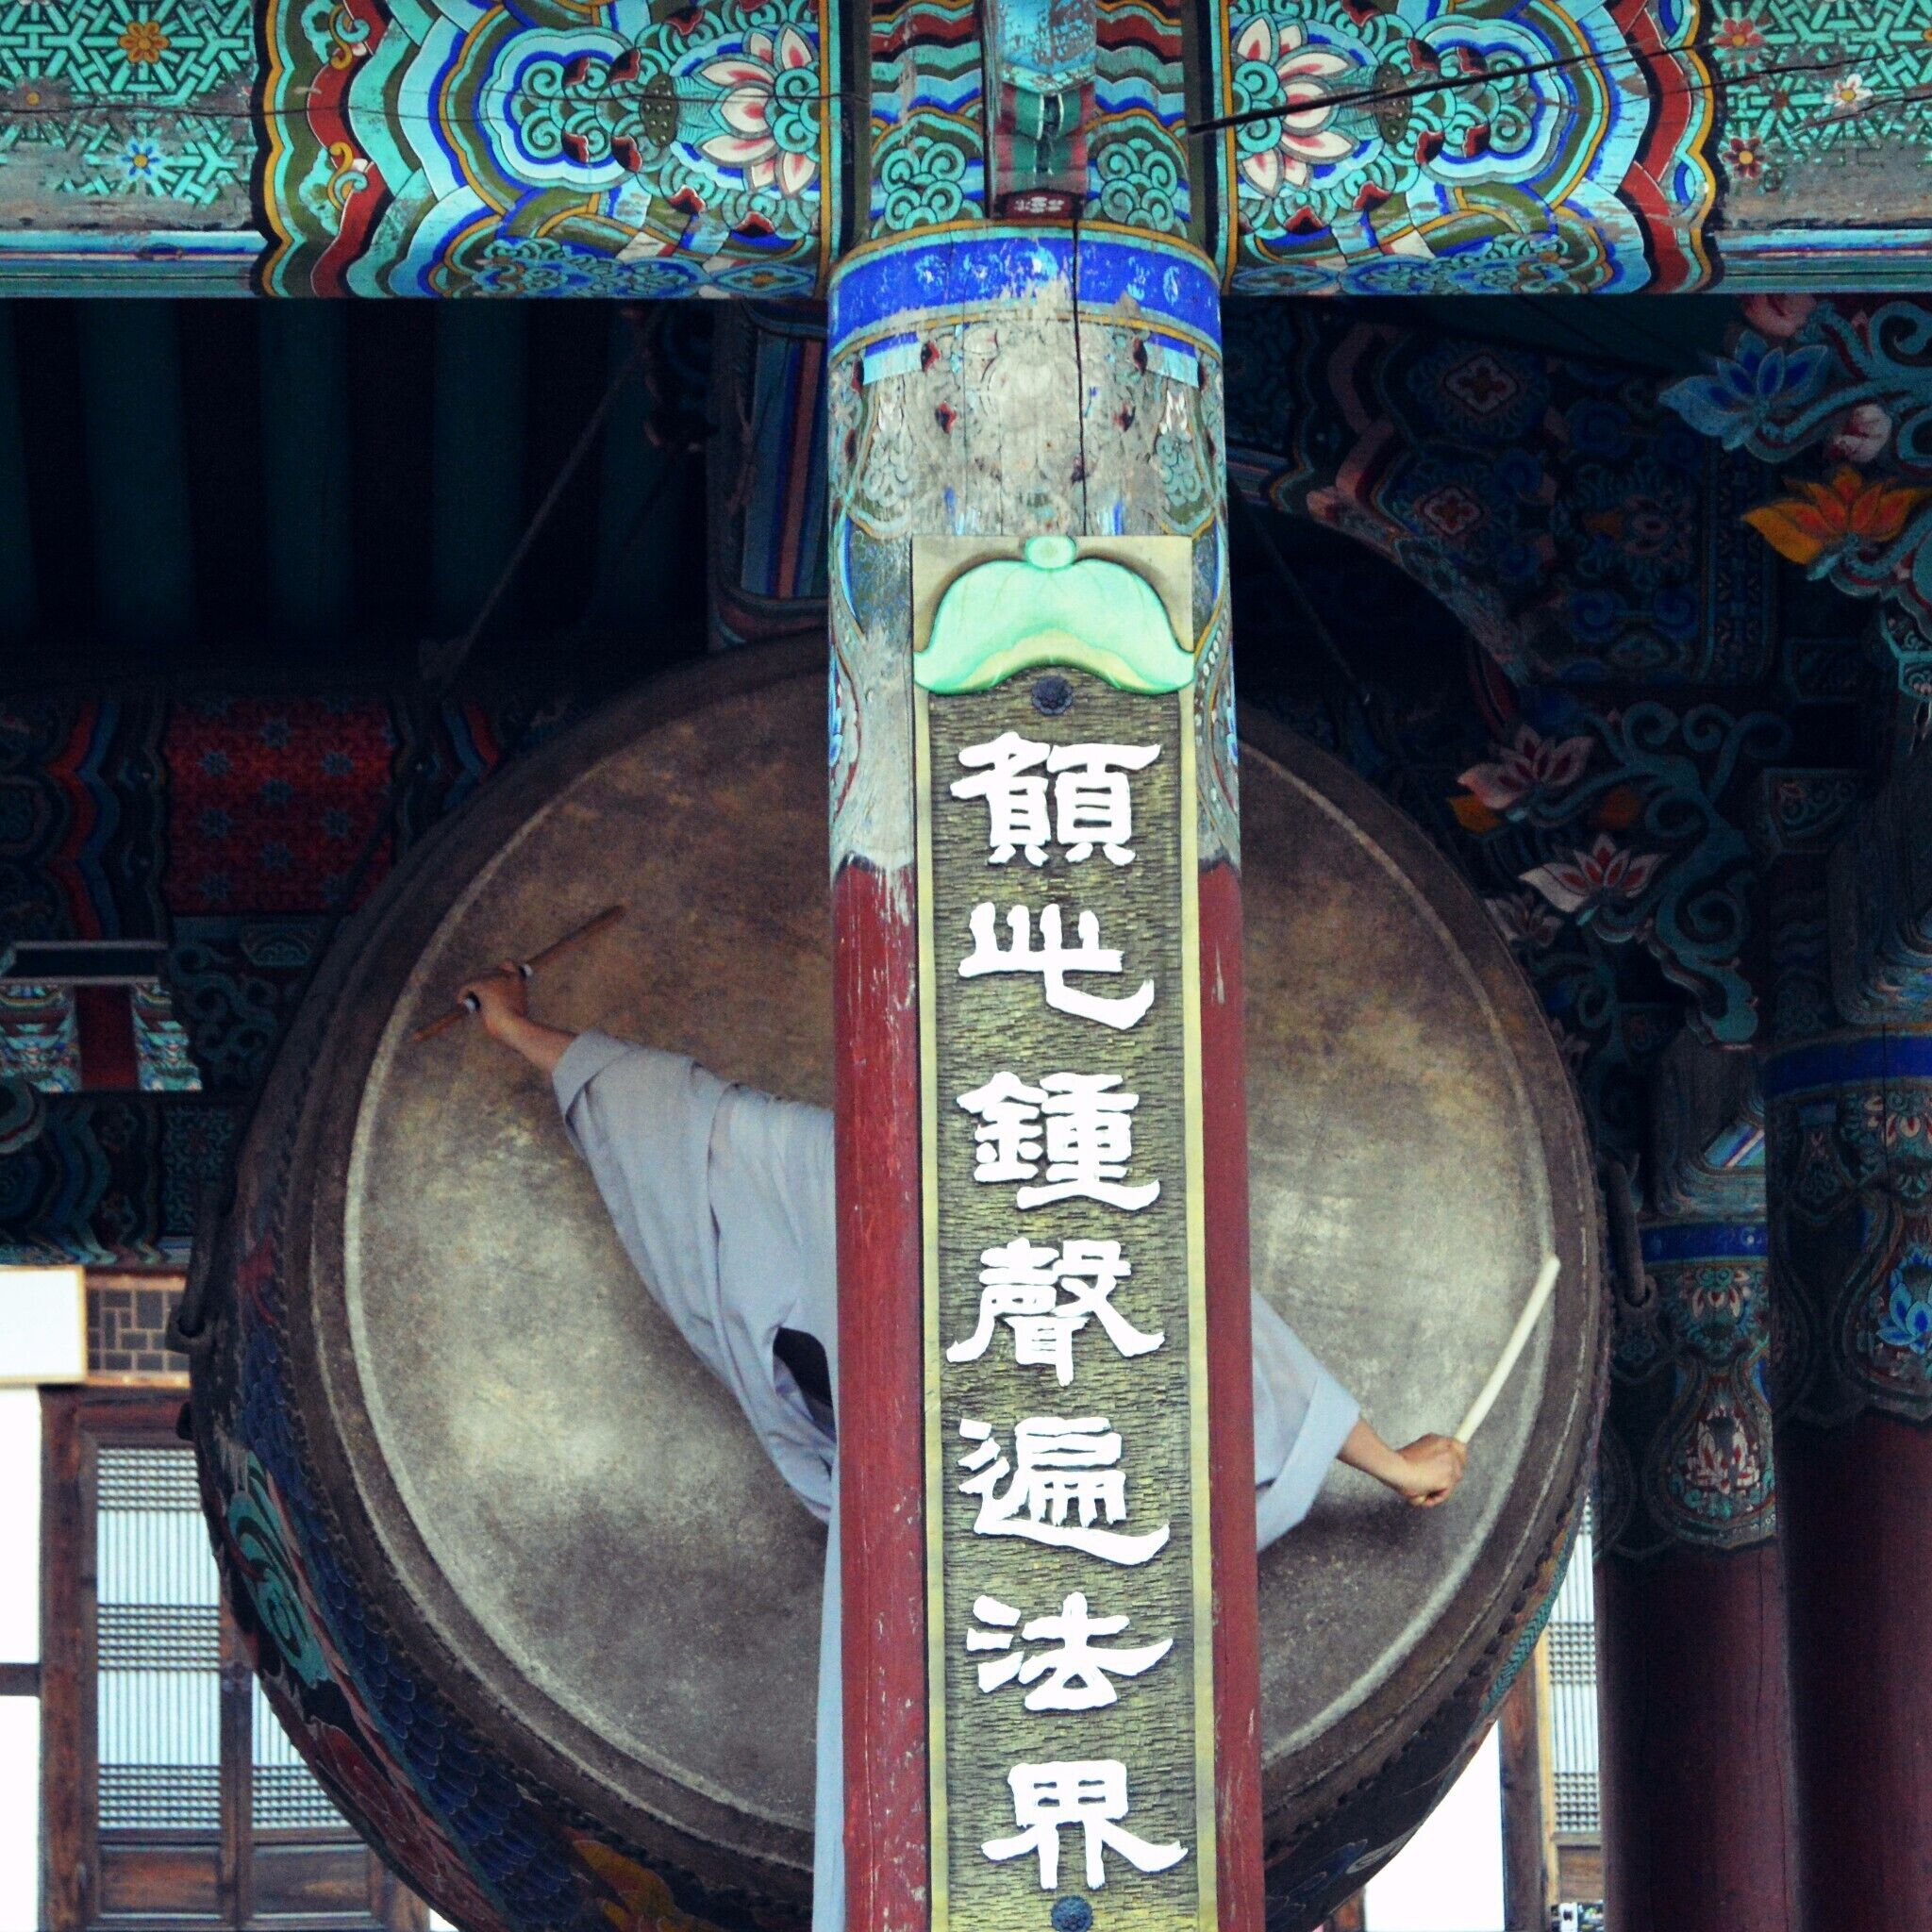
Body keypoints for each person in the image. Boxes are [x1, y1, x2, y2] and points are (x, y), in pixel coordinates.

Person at [458, 964, 1468, 1931]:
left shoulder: (854, 1170)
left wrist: (514, 1026)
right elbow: (1243, 1344)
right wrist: (1388, 1458)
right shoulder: (955, 1184)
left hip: (975, 1568)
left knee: (988, 1834)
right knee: (1045, 1834)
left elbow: (676, 1118)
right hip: (1024, 1570)